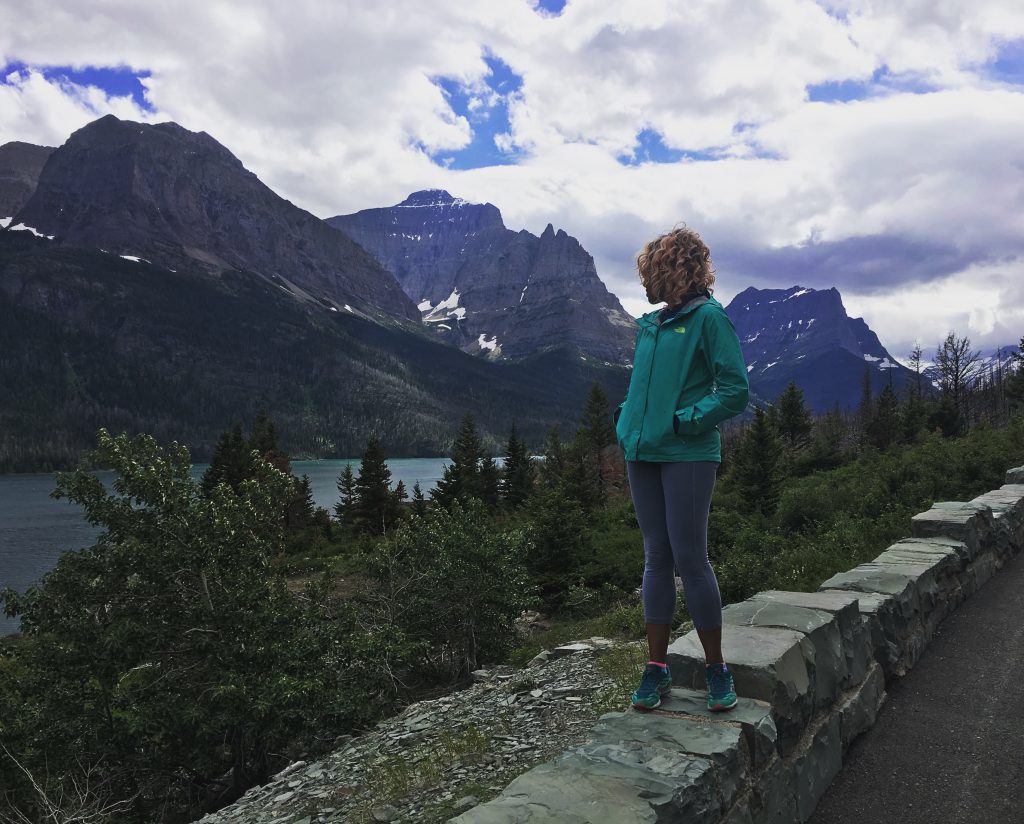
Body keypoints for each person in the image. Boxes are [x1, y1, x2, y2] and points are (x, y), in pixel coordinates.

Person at [613, 225, 749, 712]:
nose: (645, 279)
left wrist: (684, 421)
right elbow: (645, 389)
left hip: (688, 453)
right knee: (655, 558)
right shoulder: (652, 325)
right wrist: (626, 423)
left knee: (691, 559)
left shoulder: (710, 319)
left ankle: (716, 668)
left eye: (649, 269)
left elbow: (735, 390)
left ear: (671, 268)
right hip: (642, 453)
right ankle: (656, 668)